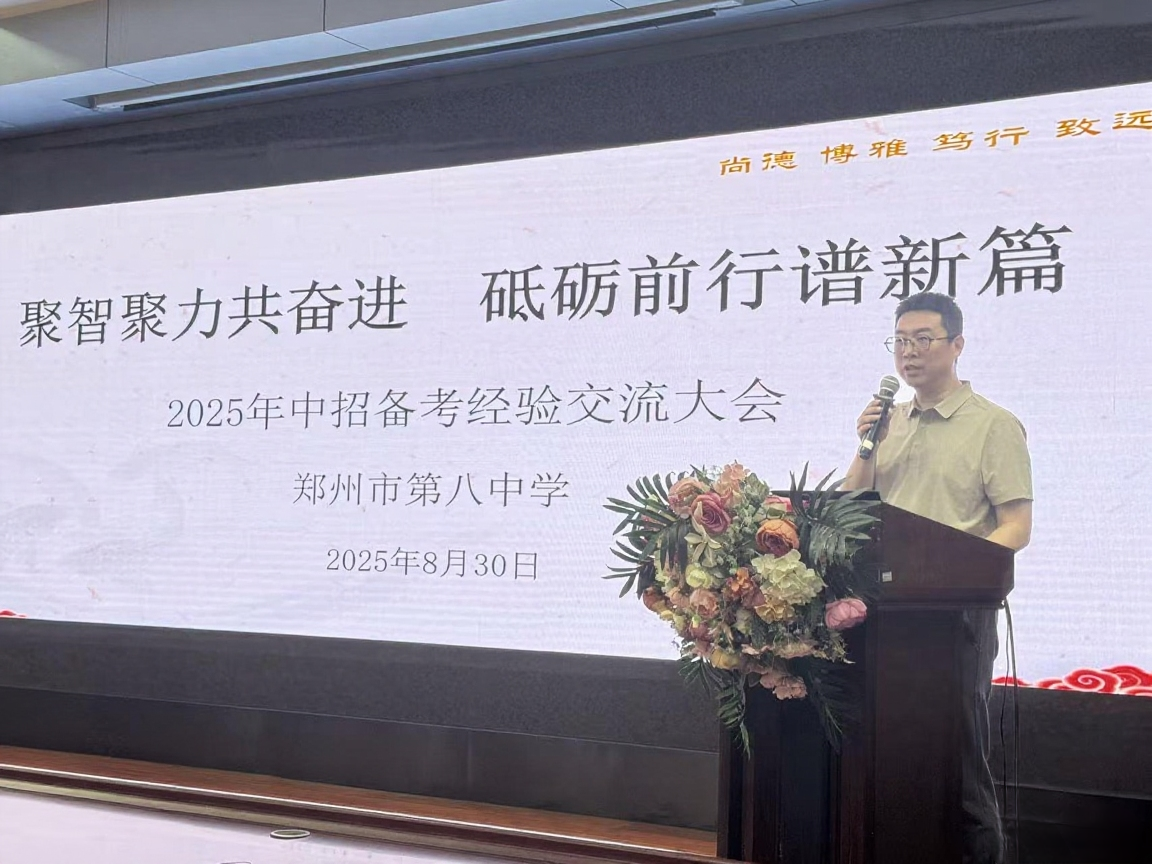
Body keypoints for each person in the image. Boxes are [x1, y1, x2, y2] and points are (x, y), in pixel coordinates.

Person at [843, 293, 1033, 864]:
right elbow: (850, 508)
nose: (910, 352)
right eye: (901, 341)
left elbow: (1016, 526)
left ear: (957, 345)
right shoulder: (889, 423)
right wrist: (866, 446)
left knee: (958, 763)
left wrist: (956, 571)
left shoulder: (993, 425)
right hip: (883, 613)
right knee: (888, 759)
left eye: (923, 339)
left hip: (956, 618)